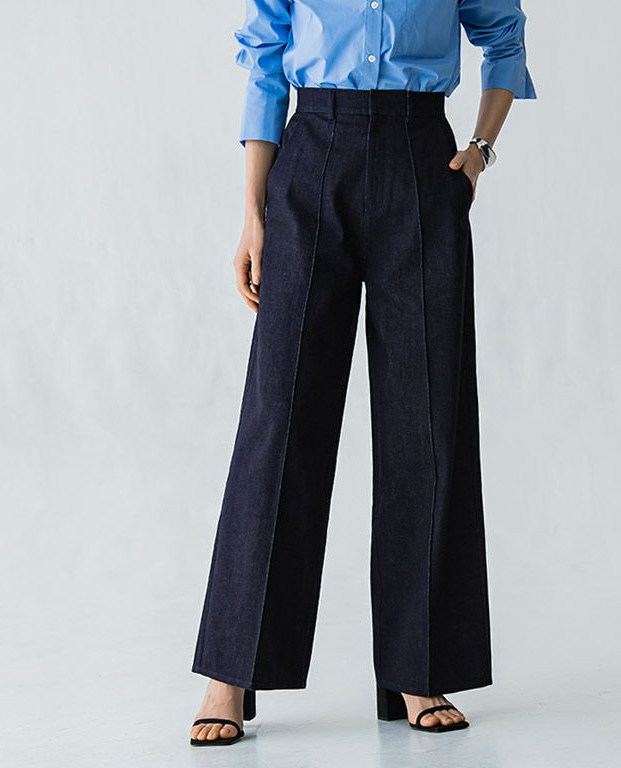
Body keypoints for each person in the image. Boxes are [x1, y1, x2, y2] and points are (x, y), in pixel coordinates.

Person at [190, 0, 536, 747]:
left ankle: (421, 664)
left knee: (428, 418)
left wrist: (480, 148)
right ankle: (231, 670)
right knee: (281, 416)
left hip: (421, 156)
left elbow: (505, 33)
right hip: (311, 155)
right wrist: (253, 211)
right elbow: (265, 58)